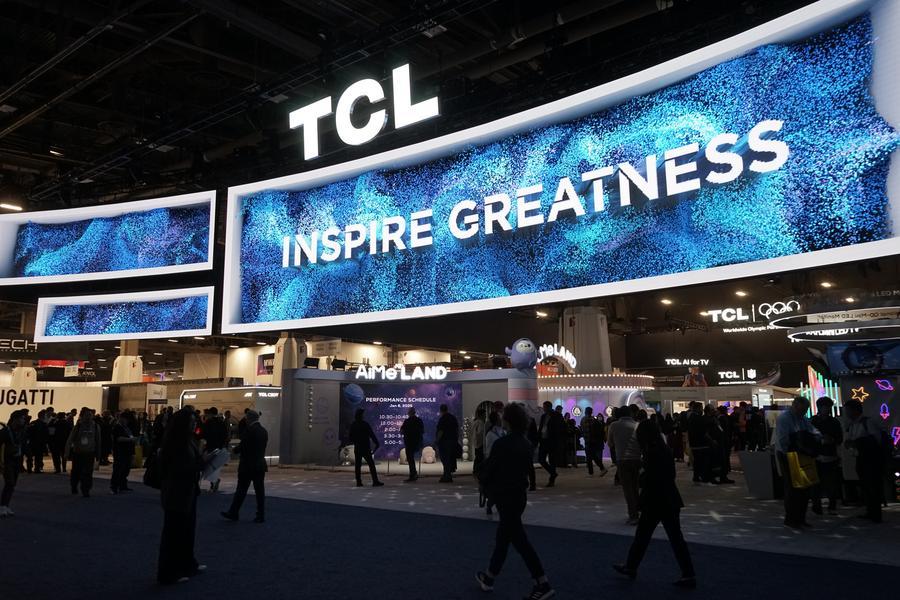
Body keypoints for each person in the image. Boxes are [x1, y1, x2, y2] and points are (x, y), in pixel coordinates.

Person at [476, 403, 555, 600]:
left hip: (505, 496)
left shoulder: (502, 444)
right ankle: (489, 577)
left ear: (508, 420)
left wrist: (483, 481)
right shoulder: (526, 444)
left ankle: (542, 583)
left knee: (520, 541)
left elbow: (490, 469)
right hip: (519, 496)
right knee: (504, 539)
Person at [612, 419, 696, 588]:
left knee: (644, 536)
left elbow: (650, 478)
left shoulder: (652, 451)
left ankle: (631, 567)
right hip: (668, 499)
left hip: (655, 501)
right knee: (673, 538)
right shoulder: (663, 448)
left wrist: (642, 480)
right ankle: (688, 573)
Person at [157, 407, 207, 584]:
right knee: (174, 533)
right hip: (177, 492)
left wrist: (203, 458)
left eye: (195, 421)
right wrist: (200, 464)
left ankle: (187, 564)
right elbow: (180, 468)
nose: (194, 424)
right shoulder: (176, 443)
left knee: (186, 530)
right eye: (191, 422)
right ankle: (168, 572)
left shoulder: (188, 440)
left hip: (187, 491)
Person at [774, 397, 820, 529]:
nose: (803, 412)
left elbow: (812, 430)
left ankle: (800, 518)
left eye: (805, 410)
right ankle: (791, 519)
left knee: (804, 486)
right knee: (792, 487)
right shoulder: (784, 418)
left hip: (800, 454)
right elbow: (783, 440)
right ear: (794, 406)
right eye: (801, 410)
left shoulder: (802, 418)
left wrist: (818, 437)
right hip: (788, 455)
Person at [843, 399, 886, 523]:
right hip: (860, 457)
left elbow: (876, 440)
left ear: (855, 410)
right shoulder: (852, 424)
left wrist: (857, 443)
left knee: (873, 486)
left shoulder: (867, 422)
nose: (846, 413)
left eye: (848, 410)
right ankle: (871, 511)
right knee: (866, 485)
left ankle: (875, 514)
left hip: (871, 459)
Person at [222, 410, 268, 523]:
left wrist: (234, 450)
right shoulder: (263, 431)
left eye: (246, 418)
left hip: (247, 465)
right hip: (259, 464)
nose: (245, 420)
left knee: (241, 490)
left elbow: (243, 446)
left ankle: (233, 512)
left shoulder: (249, 430)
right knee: (259, 491)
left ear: (249, 419)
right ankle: (260, 514)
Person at [608, 404, 642, 524]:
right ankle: (638, 510)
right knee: (635, 486)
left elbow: (610, 443)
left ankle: (633, 515)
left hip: (622, 459)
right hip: (636, 459)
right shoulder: (637, 425)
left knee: (628, 489)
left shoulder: (614, 425)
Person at [810, 396, 842, 516]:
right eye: (825, 407)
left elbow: (840, 438)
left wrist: (831, 440)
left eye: (828, 407)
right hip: (818, 455)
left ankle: (830, 505)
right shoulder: (813, 421)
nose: (827, 409)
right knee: (818, 483)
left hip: (829, 455)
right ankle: (817, 506)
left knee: (830, 483)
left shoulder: (833, 422)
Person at [65, 408, 101, 498]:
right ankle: (74, 485)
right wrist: (67, 452)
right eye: (86, 415)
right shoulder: (78, 426)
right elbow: (70, 439)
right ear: (82, 416)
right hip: (78, 453)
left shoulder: (95, 426)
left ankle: (86, 489)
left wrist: (98, 454)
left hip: (90, 453)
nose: (88, 417)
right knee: (76, 472)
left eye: (90, 415)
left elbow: (98, 440)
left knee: (88, 472)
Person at [0, 410, 27, 517]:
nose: (24, 420)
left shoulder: (21, 431)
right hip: (7, 461)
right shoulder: (5, 432)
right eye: (22, 418)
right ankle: (2, 506)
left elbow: (23, 445)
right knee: (10, 482)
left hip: (17, 461)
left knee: (12, 484)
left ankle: (6, 506)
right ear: (15, 419)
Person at [349, 408, 383, 487]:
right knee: (371, 464)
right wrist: (377, 443)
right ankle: (375, 481)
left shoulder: (353, 425)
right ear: (361, 415)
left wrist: (356, 441)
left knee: (358, 465)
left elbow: (350, 437)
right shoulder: (365, 424)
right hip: (365, 447)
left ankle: (358, 482)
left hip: (357, 447)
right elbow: (371, 434)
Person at [200, 407, 229, 492]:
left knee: (208, 466)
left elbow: (203, 434)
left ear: (210, 413)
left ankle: (214, 482)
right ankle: (214, 482)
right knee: (214, 467)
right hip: (219, 447)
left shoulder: (208, 422)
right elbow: (225, 434)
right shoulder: (221, 422)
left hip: (210, 447)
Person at [483, 411, 506, 515]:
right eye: (499, 418)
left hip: (500, 462)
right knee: (496, 485)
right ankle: (491, 503)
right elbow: (489, 450)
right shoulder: (491, 433)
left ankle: (493, 503)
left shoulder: (500, 431)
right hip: (495, 463)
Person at [537, 402, 563, 487]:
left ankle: (552, 480)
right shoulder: (543, 416)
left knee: (552, 461)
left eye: (544, 407)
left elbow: (560, 429)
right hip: (543, 441)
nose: (543, 409)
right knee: (541, 459)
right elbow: (541, 427)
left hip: (552, 442)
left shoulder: (557, 416)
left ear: (549, 407)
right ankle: (553, 473)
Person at [688, 402, 715, 484]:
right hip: (701, 444)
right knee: (703, 461)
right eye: (701, 408)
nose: (702, 410)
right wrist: (711, 440)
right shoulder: (698, 418)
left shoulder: (691, 417)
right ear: (697, 408)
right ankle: (703, 476)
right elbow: (703, 431)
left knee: (697, 461)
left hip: (694, 443)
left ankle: (696, 476)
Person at [110, 411, 137, 494]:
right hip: (120, 452)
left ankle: (123, 485)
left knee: (125, 469)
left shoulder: (127, 428)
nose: (126, 421)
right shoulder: (117, 427)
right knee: (118, 469)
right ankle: (114, 487)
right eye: (125, 419)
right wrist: (130, 439)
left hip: (127, 451)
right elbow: (118, 438)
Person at [435, 404, 459, 483]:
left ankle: (447, 475)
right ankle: (448, 475)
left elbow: (441, 431)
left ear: (441, 410)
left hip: (444, 442)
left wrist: (437, 440)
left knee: (445, 459)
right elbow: (457, 430)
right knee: (450, 459)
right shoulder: (453, 418)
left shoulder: (442, 419)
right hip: (453, 441)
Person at [580, 407, 608, 476]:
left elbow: (582, 429)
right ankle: (598, 470)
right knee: (593, 456)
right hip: (594, 441)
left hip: (587, 440)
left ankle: (594, 471)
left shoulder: (583, 419)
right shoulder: (594, 420)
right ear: (591, 412)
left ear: (585, 411)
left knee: (590, 456)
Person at [400, 407, 424, 482]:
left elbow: (401, 431)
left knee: (410, 459)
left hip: (409, 443)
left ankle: (413, 475)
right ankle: (414, 474)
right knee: (411, 459)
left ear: (409, 413)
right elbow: (422, 431)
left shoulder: (407, 421)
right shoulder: (419, 420)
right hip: (417, 442)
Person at [472, 406, 487, 474]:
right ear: (482, 415)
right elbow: (480, 433)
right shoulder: (480, 423)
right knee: (479, 458)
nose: (485, 416)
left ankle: (475, 470)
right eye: (484, 415)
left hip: (476, 443)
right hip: (480, 443)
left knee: (477, 458)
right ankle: (477, 471)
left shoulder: (475, 422)